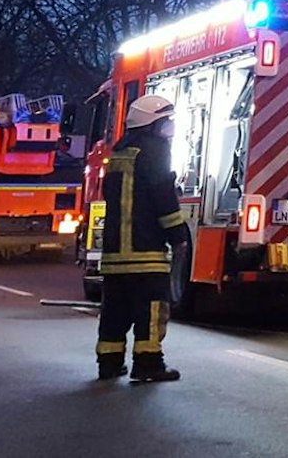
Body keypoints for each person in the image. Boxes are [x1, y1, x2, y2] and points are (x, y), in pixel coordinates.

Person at [96, 93, 191, 382]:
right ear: (152, 125)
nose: (169, 130)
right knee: (150, 311)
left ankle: (109, 364)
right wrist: (177, 234)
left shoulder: (119, 152)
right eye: (166, 123)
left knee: (114, 313)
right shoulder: (155, 151)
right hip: (146, 253)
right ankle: (148, 364)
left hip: (115, 256)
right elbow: (162, 195)